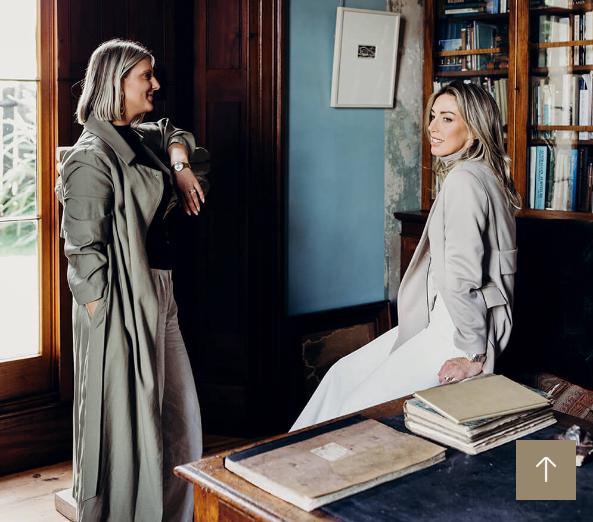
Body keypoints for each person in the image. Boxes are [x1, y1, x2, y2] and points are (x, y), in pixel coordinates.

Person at [291, 81, 521, 431]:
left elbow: (463, 277)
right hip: (441, 322)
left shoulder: (465, 181)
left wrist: (474, 355)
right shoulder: (486, 176)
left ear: (474, 130)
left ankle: (295, 461)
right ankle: (282, 459)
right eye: (433, 116)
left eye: (447, 118)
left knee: (354, 414)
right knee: (340, 376)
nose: (433, 127)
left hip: (457, 334)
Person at [56, 39, 207, 521]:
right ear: (116, 83)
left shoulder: (138, 136)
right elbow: (82, 252)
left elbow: (174, 131)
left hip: (161, 293)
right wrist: (104, 312)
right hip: (122, 301)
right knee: (127, 425)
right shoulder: (91, 155)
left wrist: (180, 166)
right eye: (146, 75)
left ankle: (176, 515)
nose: (155, 84)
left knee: (181, 415)